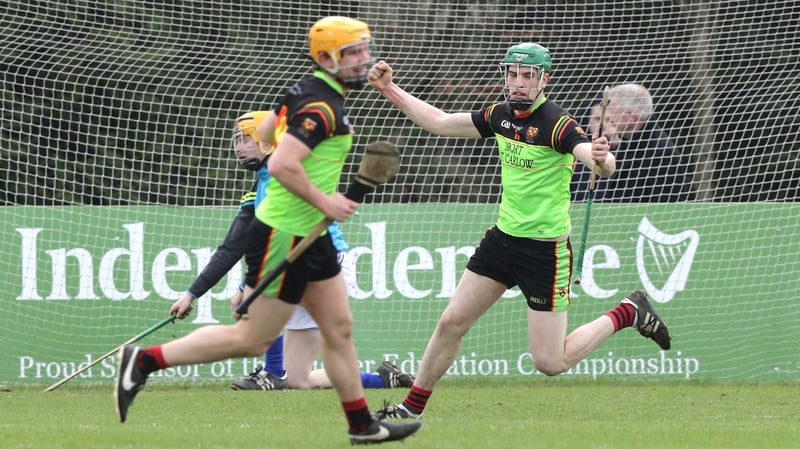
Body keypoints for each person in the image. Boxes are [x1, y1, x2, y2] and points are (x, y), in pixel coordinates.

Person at [114, 16, 422, 445]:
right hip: (285, 235)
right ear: (326, 58)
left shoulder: (305, 90)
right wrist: (325, 200)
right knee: (252, 339)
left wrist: (310, 183)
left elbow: (264, 133)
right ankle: (144, 361)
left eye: (363, 49)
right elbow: (278, 162)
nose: (362, 58)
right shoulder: (320, 108)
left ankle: (362, 427)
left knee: (338, 329)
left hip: (308, 235)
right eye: (353, 52)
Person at [366, 43, 672, 420]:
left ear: (545, 79)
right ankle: (411, 410)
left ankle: (628, 312)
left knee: (549, 362)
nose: (519, 83)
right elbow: (440, 122)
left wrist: (601, 157)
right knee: (451, 322)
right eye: (513, 74)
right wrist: (389, 89)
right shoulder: (499, 116)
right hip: (502, 241)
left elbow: (598, 162)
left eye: (528, 76)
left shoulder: (558, 124)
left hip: (544, 252)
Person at [173, 111, 414, 392]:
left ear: (267, 141)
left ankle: (271, 374)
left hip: (323, 264)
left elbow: (281, 238)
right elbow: (234, 246)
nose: (239, 148)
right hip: (296, 264)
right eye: (236, 141)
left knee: (256, 301)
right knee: (299, 380)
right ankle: (384, 380)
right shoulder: (262, 183)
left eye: (246, 140)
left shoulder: (285, 176)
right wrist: (193, 294)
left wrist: (247, 286)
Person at [571, 83, 691, 202]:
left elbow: (668, 204)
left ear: (630, 117)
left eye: (613, 112)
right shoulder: (627, 142)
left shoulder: (661, 151)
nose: (609, 118)